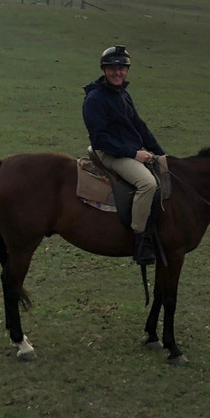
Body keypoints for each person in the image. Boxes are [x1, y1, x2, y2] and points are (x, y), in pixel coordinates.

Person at [82, 45, 165, 265]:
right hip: (110, 153)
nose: (117, 72)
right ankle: (140, 241)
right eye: (112, 68)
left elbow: (139, 126)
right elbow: (100, 139)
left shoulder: (122, 94)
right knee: (147, 183)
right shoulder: (95, 99)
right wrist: (133, 154)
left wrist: (160, 153)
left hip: (127, 150)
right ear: (104, 69)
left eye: (122, 68)